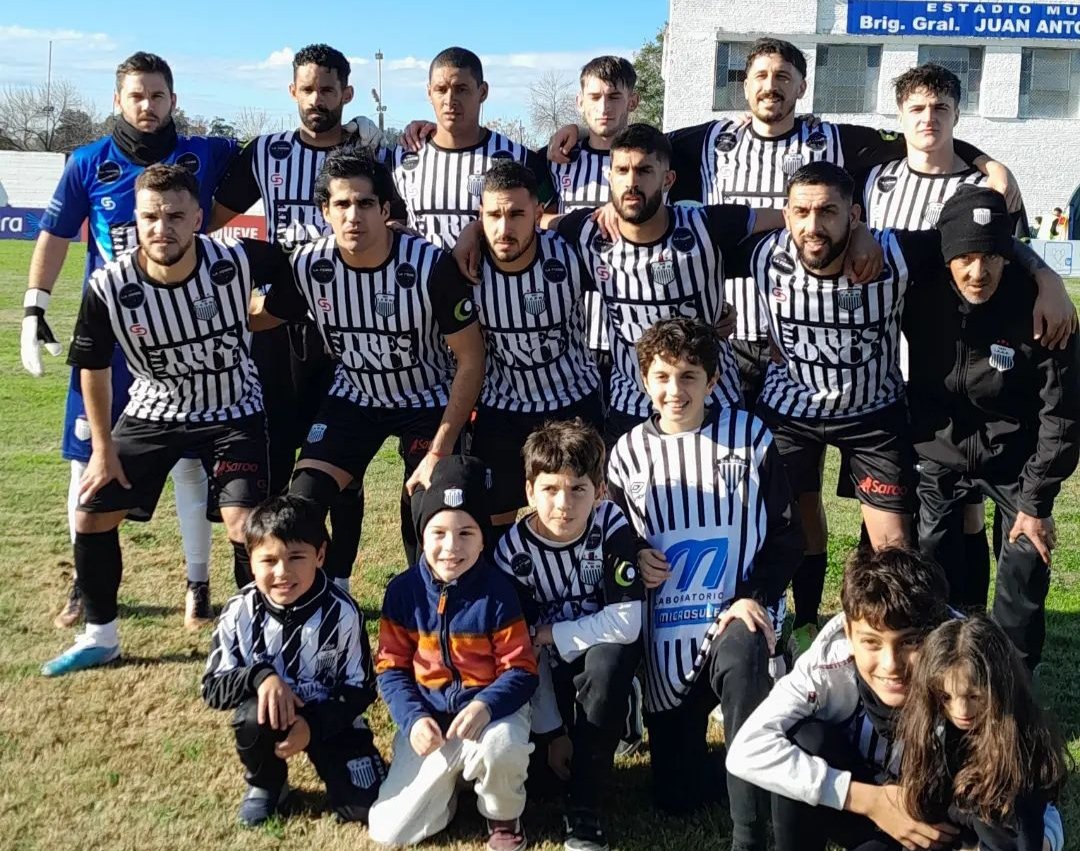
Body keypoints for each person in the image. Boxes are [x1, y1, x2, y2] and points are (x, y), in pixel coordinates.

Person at [41, 164, 304, 677]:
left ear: (198, 218)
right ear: (135, 221)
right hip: (153, 410)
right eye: (151, 217)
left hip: (233, 409)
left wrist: (261, 315)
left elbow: (298, 276)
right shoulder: (109, 286)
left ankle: (257, 638)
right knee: (91, 511)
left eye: (176, 216)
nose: (163, 228)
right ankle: (100, 635)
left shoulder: (235, 259)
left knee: (243, 523)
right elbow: (93, 370)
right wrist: (102, 447)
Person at [21, 51, 236, 630]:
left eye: (158, 95)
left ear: (174, 99)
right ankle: (82, 584)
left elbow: (277, 157)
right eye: (136, 95)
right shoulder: (88, 162)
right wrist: (33, 305)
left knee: (192, 464)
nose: (148, 105)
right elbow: (56, 234)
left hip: (186, 340)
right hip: (112, 342)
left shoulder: (206, 153)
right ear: (118, 100)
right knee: (87, 462)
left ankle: (198, 582)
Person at [606, 319, 802, 851]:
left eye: (690, 376)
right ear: (644, 379)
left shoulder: (749, 435)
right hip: (665, 629)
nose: (676, 391)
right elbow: (614, 539)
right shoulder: (625, 454)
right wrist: (635, 556)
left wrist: (753, 595)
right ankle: (765, 757)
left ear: (713, 381)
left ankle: (748, 835)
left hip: (734, 609)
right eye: (663, 376)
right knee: (677, 795)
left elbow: (787, 535)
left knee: (742, 659)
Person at [257, 146, 484, 566]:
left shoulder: (430, 266)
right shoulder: (309, 264)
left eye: (364, 203)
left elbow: (471, 358)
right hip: (356, 396)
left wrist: (439, 451)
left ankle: (426, 614)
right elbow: (263, 315)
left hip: (426, 396)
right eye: (341, 204)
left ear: (384, 209)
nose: (353, 215)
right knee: (302, 502)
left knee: (424, 509)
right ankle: (320, 601)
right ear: (325, 211)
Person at [211, 44, 384, 588]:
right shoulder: (265, 152)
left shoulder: (367, 156)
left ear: (346, 94)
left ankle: (339, 584)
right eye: (307, 89)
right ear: (292, 92)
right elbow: (210, 225)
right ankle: (254, 588)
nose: (317, 99)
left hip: (347, 328)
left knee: (343, 470)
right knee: (270, 462)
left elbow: (395, 223)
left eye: (328, 89)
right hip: (279, 329)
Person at [906, 186, 1080, 670]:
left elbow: (1062, 415)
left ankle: (1011, 685)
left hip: (1015, 460)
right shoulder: (918, 290)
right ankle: (940, 676)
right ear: (946, 256)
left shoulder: (1044, 310)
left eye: (990, 257)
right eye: (965, 257)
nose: (977, 272)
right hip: (937, 451)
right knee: (931, 564)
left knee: (1025, 558)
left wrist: (1036, 502)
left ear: (1009, 255)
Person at [369, 455, 538, 851]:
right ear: (422, 535)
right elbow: (390, 669)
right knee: (389, 831)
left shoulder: (498, 591)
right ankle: (451, 787)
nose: (451, 547)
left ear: (483, 538)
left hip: (490, 715)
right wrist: (412, 721)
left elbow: (522, 669)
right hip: (432, 722)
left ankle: (502, 815)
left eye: (466, 533)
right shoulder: (402, 592)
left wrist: (485, 706)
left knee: (503, 744)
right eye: (438, 532)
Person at [494, 419, 645, 851]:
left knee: (608, 662)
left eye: (579, 489)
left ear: (600, 491)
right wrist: (552, 731)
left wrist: (549, 633)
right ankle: (595, 722)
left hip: (598, 656)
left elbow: (625, 623)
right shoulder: (512, 553)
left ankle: (585, 811)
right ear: (529, 492)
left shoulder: (611, 523)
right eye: (550, 489)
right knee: (543, 781)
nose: (564, 503)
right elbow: (523, 652)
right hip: (546, 668)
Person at [202, 495, 385, 827]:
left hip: (330, 716)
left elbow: (361, 689)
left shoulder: (343, 612)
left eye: (296, 557)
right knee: (251, 718)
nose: (282, 572)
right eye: (268, 560)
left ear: (320, 555)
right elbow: (213, 687)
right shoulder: (239, 610)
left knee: (366, 808)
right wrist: (259, 676)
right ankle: (267, 783)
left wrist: (312, 726)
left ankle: (343, 769)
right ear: (250, 560)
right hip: (270, 716)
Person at [470, 160, 602, 538]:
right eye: (493, 215)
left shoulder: (572, 252)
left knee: (577, 513)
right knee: (493, 521)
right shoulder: (466, 264)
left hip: (572, 400)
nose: (504, 227)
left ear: (539, 213)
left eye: (516, 214)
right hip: (502, 407)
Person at [897, 616, 1068, 851]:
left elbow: (1023, 836)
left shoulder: (1017, 745)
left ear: (998, 686)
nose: (961, 711)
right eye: (946, 697)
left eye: (974, 696)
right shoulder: (933, 730)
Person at [391, 46, 555, 251]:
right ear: (429, 92)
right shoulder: (401, 159)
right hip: (422, 281)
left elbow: (548, 216)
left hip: (493, 281)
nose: (450, 100)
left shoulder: (519, 158)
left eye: (461, 89)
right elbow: (388, 220)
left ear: (483, 91)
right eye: (441, 89)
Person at [545, 56, 641, 399]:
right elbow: (531, 215)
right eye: (595, 97)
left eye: (614, 97)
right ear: (579, 101)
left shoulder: (658, 156)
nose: (604, 107)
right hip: (572, 333)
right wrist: (580, 222)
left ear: (632, 101)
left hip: (635, 334)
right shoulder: (557, 158)